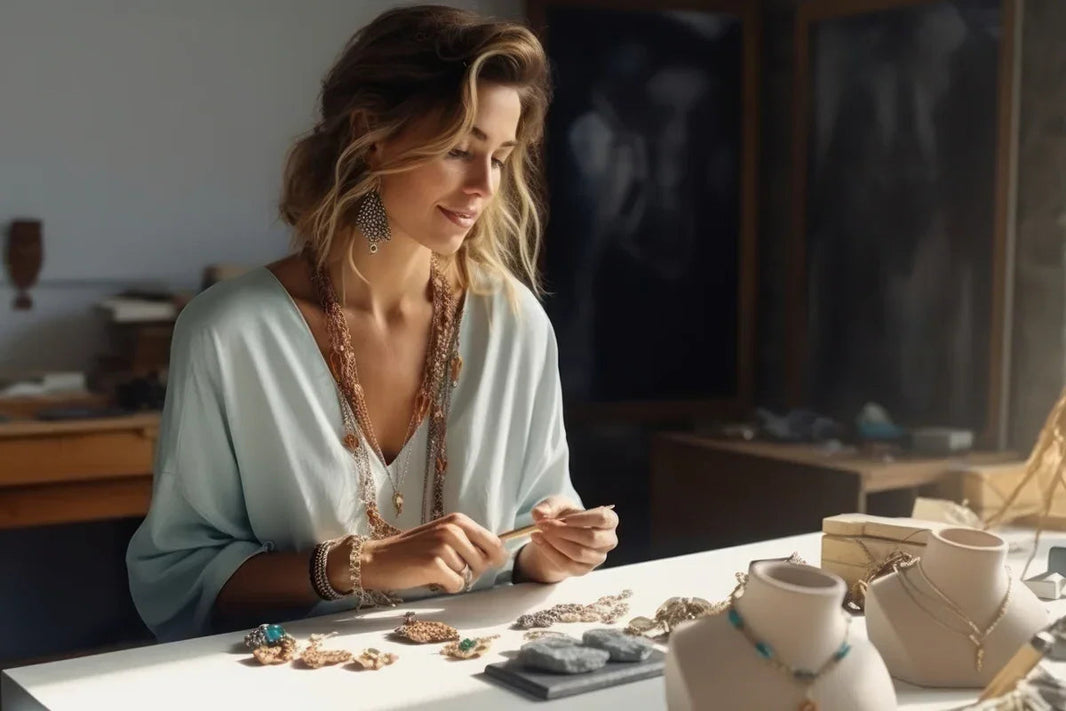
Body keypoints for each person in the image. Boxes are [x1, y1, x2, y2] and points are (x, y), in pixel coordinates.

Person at [126, 4, 619, 642]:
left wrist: (553, 553)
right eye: (458, 150)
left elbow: (526, 539)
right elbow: (181, 576)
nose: (483, 185)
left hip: (475, 670)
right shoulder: (229, 333)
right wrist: (358, 565)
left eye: (499, 157)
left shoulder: (514, 324)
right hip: (287, 676)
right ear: (371, 134)